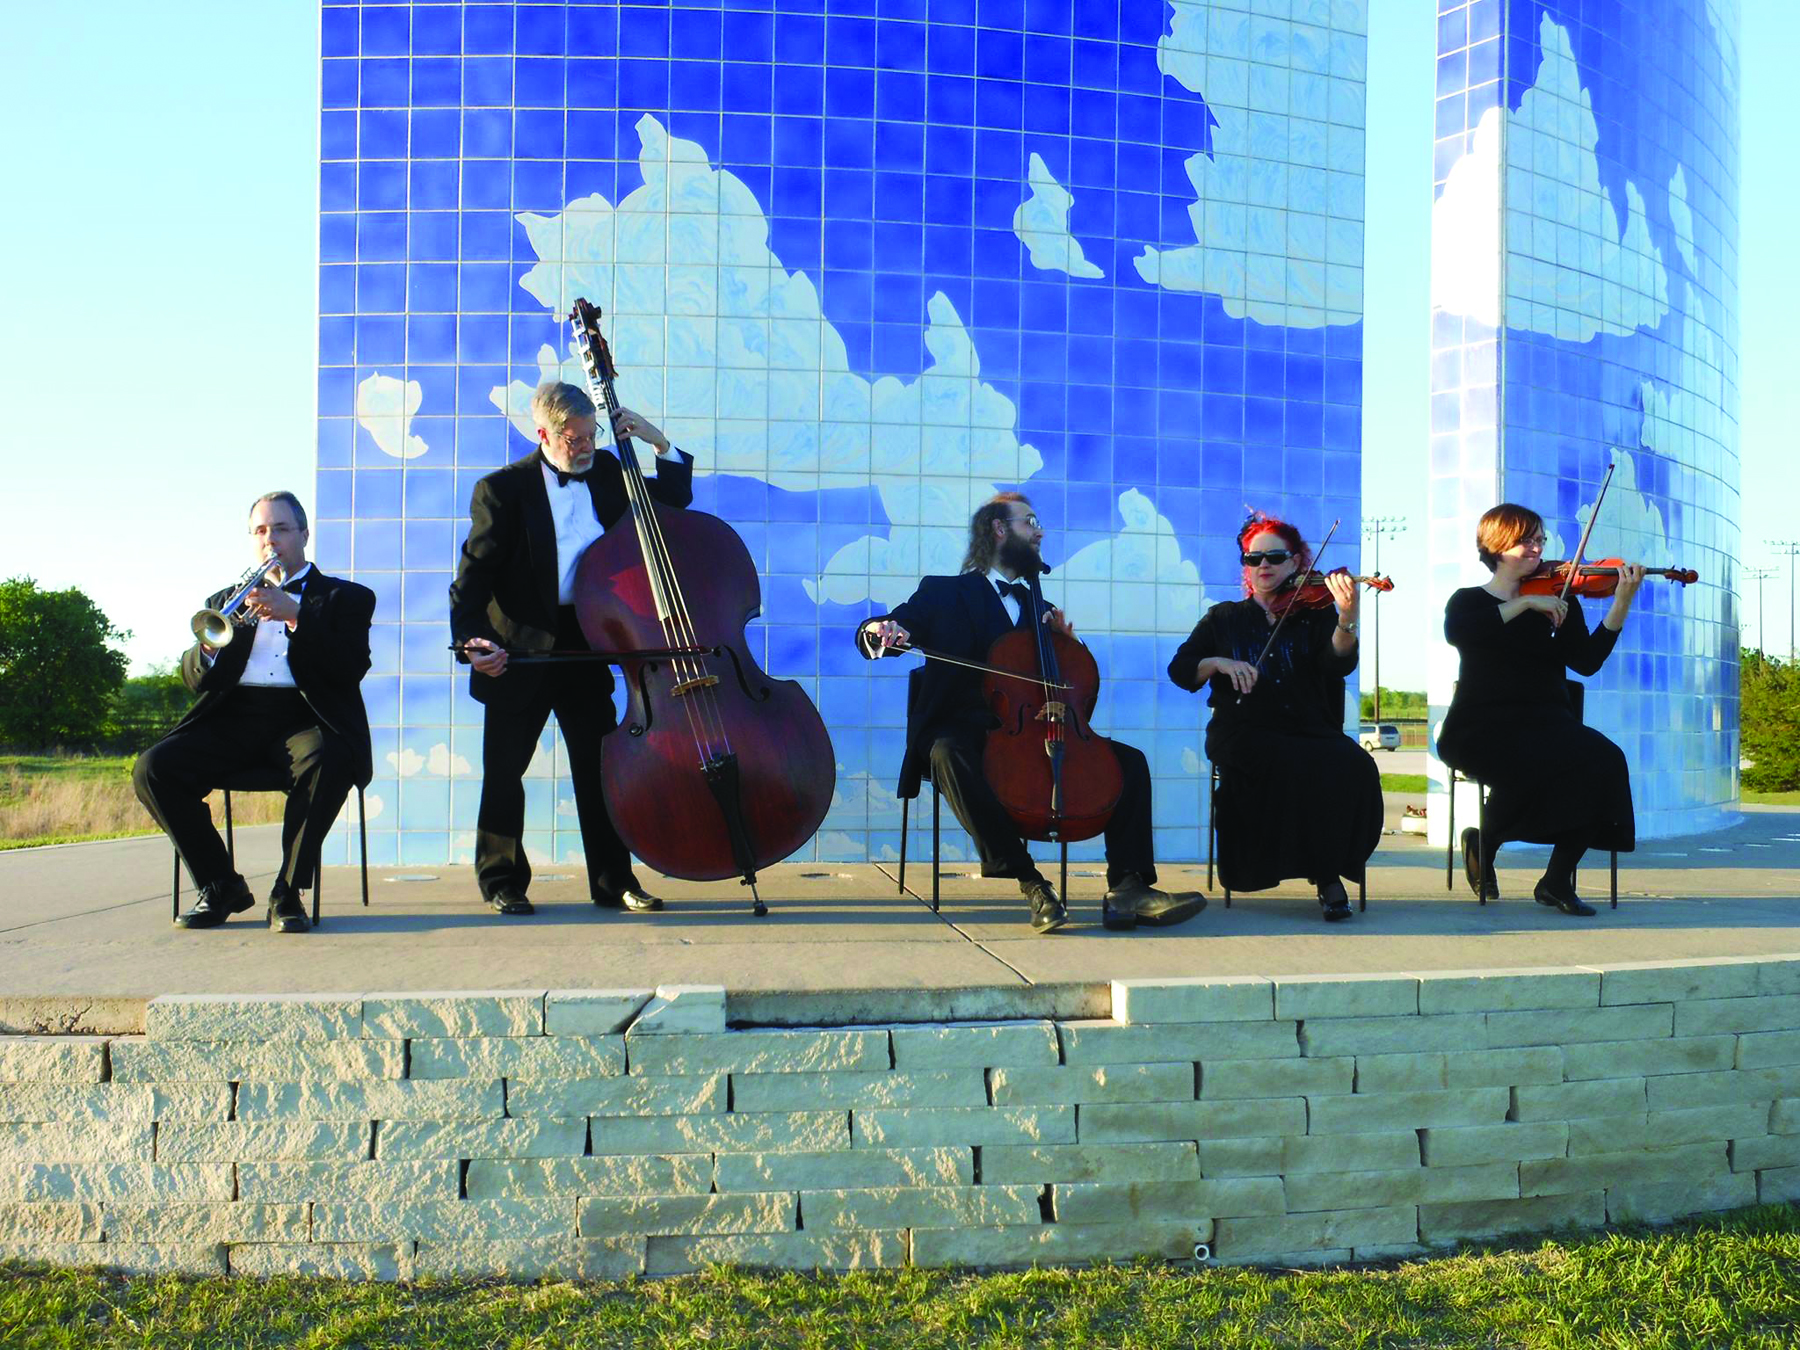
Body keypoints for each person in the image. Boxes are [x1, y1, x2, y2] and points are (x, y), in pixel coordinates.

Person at [857, 492, 1206, 934]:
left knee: (1130, 763)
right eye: (1030, 522)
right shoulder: (944, 592)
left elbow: (1077, 693)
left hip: (1033, 732)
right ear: (998, 530)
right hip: (964, 733)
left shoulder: (1040, 610)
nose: (1040, 532)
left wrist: (1070, 646)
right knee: (947, 752)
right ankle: (1031, 882)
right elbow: (899, 624)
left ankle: (1129, 885)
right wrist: (882, 631)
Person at [449, 380, 692, 917]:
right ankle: (502, 882)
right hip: (517, 647)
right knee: (505, 771)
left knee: (600, 767)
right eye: (573, 439)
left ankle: (614, 881)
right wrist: (472, 643)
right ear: (543, 434)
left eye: (591, 436)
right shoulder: (501, 490)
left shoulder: (608, 472)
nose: (585, 447)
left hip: (587, 641)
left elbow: (673, 500)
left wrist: (657, 442)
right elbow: (471, 581)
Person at [134, 492, 374, 934]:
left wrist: (298, 615)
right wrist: (206, 649)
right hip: (235, 716)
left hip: (306, 715)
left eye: (281, 529)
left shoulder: (348, 598)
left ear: (304, 534)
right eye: (261, 531)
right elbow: (197, 681)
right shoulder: (227, 598)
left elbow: (350, 666)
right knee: (154, 768)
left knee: (330, 759)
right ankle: (220, 884)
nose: (271, 540)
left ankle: (287, 891)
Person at [1167, 512, 1382, 921]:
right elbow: (1181, 671)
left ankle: (1332, 866)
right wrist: (1219, 663)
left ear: (1297, 562)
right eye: (1253, 559)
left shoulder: (1317, 613)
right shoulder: (1224, 617)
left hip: (1309, 727)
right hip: (1241, 728)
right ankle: (1325, 877)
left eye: (1274, 557)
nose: (1263, 565)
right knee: (1288, 762)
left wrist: (1347, 618)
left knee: (1355, 765)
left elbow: (1338, 663)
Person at [1438, 503, 1643, 916]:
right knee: (1536, 761)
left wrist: (1620, 602)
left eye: (1539, 540)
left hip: (1546, 724)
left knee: (1604, 760)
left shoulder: (1558, 598)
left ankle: (1555, 879)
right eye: (1525, 540)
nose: (1537, 548)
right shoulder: (1468, 602)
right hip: (1479, 729)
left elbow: (1586, 661)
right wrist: (1523, 606)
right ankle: (1487, 842)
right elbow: (1459, 632)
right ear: (1496, 545)